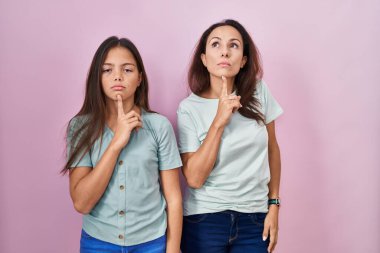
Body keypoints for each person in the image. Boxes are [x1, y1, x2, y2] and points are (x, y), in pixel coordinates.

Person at [62, 36, 182, 253]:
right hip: (98, 243)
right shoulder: (80, 127)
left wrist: (172, 250)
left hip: (152, 243)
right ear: (97, 78)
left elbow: (173, 198)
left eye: (127, 70)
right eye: (107, 70)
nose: (117, 76)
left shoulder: (159, 126)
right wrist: (116, 143)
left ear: (140, 79)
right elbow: (81, 203)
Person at [177, 19, 283, 253]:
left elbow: (272, 149)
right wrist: (219, 121)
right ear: (204, 59)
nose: (224, 51)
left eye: (233, 45)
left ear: (243, 60)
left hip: (255, 218)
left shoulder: (259, 92)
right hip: (204, 220)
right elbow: (194, 178)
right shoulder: (188, 108)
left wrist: (274, 204)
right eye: (215, 44)